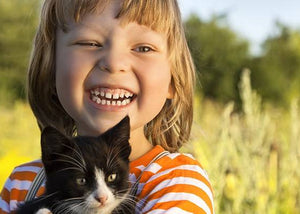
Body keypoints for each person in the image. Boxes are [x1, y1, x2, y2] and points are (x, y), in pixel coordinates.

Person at [0, 0, 214, 213]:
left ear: (172, 81)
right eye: (89, 43)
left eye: (143, 48)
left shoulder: (177, 182)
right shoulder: (22, 183)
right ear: (50, 71)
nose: (114, 62)